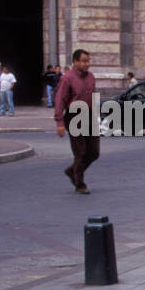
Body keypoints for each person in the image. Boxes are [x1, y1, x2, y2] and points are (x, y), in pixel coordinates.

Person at [55, 49, 99, 193]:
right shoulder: (67, 78)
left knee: (94, 153)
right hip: (74, 116)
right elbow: (60, 100)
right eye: (84, 61)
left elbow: (93, 96)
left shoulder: (91, 77)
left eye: (88, 61)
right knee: (80, 152)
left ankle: (72, 170)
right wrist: (60, 123)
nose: (87, 64)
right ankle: (79, 183)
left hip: (90, 116)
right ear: (75, 62)